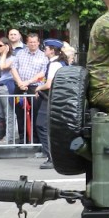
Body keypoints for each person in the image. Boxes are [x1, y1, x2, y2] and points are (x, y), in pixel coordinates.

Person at [33, 39, 67, 169]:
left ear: (52, 50)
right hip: (55, 98)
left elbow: (49, 84)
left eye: (46, 48)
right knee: (50, 127)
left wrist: (38, 88)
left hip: (50, 98)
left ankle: (51, 158)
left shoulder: (54, 64)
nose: (44, 50)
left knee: (42, 126)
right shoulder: (60, 63)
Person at [10, 33, 49, 143]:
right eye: (30, 42)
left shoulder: (43, 55)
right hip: (19, 87)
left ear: (38, 43)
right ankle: (23, 139)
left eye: (34, 42)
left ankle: (36, 139)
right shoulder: (20, 53)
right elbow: (14, 68)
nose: (32, 44)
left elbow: (42, 73)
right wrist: (20, 83)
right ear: (27, 43)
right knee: (20, 113)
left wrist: (28, 82)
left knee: (35, 113)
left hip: (35, 88)